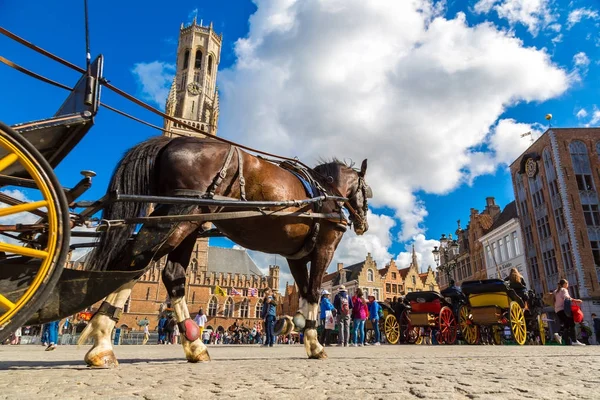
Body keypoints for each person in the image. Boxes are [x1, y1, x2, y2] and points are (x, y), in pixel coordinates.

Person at [553, 279, 585, 346]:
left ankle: (559, 334)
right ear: (564, 284)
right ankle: (574, 341)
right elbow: (567, 298)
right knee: (571, 324)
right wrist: (576, 300)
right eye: (567, 284)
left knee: (566, 324)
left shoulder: (555, 291)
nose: (568, 285)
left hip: (557, 310)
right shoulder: (563, 290)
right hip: (564, 309)